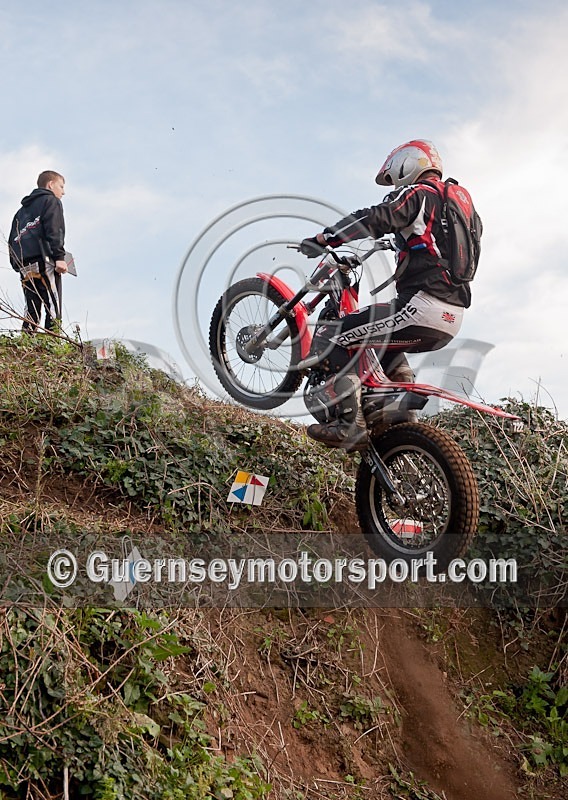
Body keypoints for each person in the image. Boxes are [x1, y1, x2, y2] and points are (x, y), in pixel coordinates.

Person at [300, 139, 481, 452]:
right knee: (381, 342)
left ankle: (349, 425)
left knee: (332, 335)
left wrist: (326, 238)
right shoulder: (464, 207)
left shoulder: (418, 193)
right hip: (451, 318)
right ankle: (401, 419)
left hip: (421, 307)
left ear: (408, 162)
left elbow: (376, 217)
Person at [9, 170, 68, 332]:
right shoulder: (51, 201)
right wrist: (59, 257)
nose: (63, 192)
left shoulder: (19, 213)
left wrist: (16, 263)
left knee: (31, 306)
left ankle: (28, 341)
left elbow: (11, 239)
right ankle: (54, 342)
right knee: (53, 304)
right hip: (45, 259)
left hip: (24, 263)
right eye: (61, 186)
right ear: (51, 184)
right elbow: (54, 230)